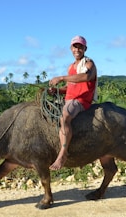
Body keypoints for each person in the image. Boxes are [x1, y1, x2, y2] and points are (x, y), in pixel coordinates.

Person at [48, 35, 97, 170]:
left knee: (64, 116)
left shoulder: (88, 63)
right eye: (75, 47)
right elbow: (70, 88)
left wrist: (62, 77)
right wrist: (57, 90)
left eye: (80, 47)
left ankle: (63, 153)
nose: (77, 49)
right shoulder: (71, 67)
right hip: (69, 99)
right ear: (71, 49)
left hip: (80, 100)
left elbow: (87, 76)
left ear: (85, 48)